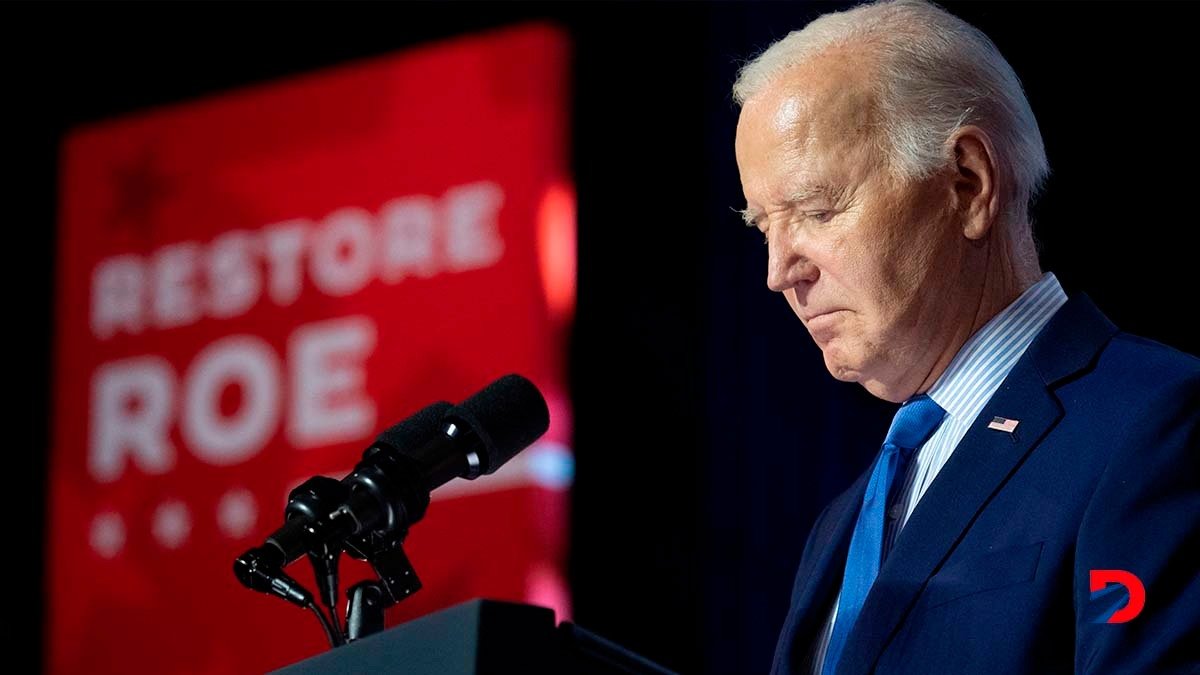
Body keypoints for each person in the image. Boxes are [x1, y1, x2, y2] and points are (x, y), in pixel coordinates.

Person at [731, 1, 1200, 674]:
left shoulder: (1155, 423)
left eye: (816, 209)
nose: (779, 273)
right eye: (763, 228)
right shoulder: (842, 520)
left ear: (968, 183)